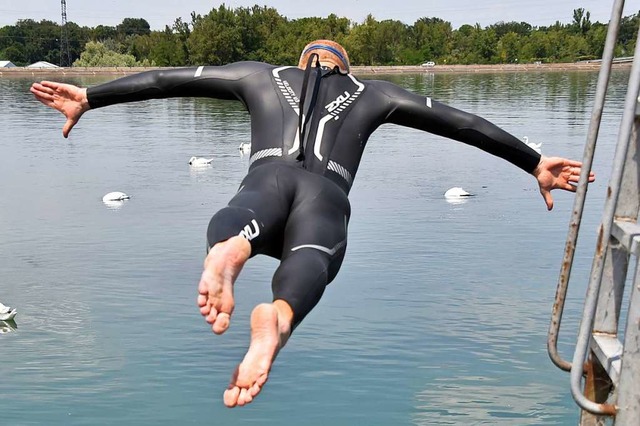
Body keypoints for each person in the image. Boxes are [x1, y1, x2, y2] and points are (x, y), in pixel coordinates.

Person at [30, 39, 595, 408]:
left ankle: (228, 252)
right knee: (313, 264)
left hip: (265, 183)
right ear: (345, 66)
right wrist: (534, 162)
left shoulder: (257, 75)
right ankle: (278, 319)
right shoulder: (376, 94)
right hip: (326, 196)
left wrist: (92, 96)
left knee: (237, 222)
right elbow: (462, 122)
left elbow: (166, 81)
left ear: (301, 63)